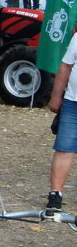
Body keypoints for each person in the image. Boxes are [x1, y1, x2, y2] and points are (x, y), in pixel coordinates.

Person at [46, 29, 77, 213]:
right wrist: (56, 96)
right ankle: (55, 194)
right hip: (73, 101)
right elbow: (66, 66)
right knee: (64, 148)